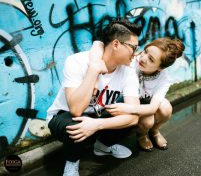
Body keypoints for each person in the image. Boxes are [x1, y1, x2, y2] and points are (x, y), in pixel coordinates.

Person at [46, 19, 142, 176]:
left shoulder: (128, 71)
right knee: (75, 124)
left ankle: (103, 146)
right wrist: (94, 70)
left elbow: (134, 117)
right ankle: (72, 162)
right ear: (116, 44)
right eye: (133, 47)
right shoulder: (77, 61)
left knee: (126, 113)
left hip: (97, 115)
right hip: (63, 116)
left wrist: (97, 125)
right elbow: (76, 110)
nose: (136, 53)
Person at [91, 37, 185, 152]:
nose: (143, 58)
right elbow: (98, 43)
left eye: (151, 59)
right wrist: (95, 73)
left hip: (144, 103)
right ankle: (142, 135)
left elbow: (152, 108)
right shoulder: (132, 59)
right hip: (127, 98)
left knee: (166, 108)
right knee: (147, 121)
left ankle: (154, 131)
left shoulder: (164, 79)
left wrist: (128, 108)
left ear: (160, 68)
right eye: (145, 51)